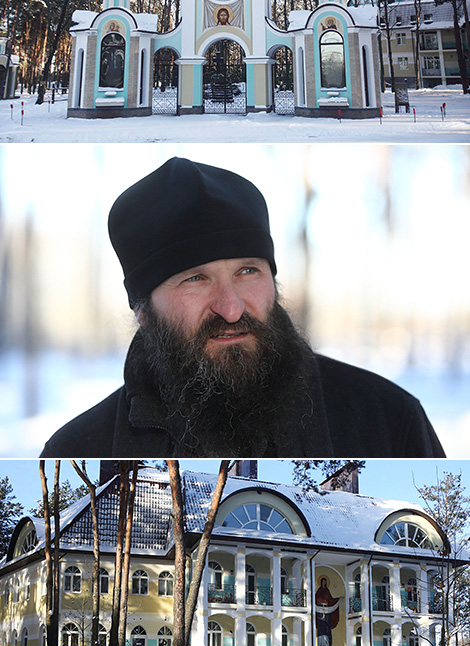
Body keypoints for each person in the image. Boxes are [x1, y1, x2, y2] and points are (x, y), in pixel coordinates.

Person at [41, 158, 445, 459]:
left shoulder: (389, 421)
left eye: (248, 271)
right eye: (194, 279)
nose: (232, 308)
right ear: (144, 312)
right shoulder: (78, 448)